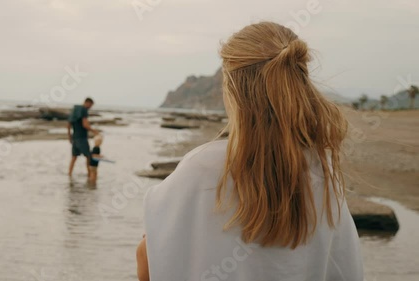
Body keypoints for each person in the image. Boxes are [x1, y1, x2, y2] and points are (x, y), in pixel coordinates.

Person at [136, 22, 363, 281]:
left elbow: (149, 263)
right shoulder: (322, 171)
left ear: (233, 90)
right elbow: (346, 268)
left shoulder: (201, 168)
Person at [67, 97, 99, 176]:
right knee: (88, 156)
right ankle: (89, 174)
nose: (90, 107)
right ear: (87, 102)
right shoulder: (83, 110)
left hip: (75, 137)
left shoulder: (74, 110)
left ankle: (69, 173)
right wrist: (94, 131)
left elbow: (68, 125)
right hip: (82, 138)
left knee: (74, 157)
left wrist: (69, 136)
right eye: (90, 105)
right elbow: (85, 124)